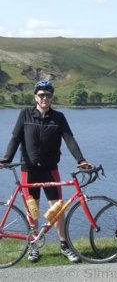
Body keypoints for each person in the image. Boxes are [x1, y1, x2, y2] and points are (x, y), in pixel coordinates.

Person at [0, 80, 92, 263]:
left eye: (48, 95)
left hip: (50, 170)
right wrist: (6, 159)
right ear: (35, 96)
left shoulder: (58, 117)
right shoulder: (25, 114)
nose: (44, 98)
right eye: (41, 95)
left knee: (57, 209)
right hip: (29, 170)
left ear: (51, 98)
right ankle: (34, 245)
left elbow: (69, 139)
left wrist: (81, 160)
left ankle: (65, 245)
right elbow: (16, 138)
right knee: (32, 210)